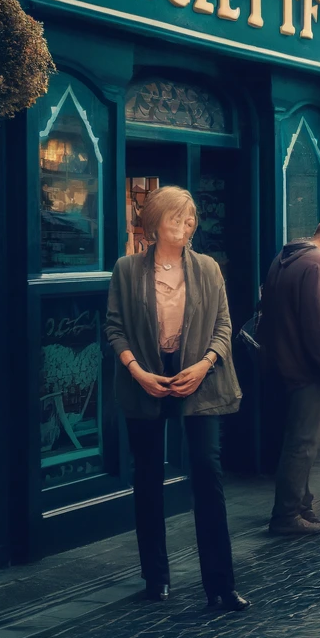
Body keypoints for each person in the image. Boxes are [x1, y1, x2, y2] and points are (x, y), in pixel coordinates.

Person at [104, 187, 247, 610]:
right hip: (144, 379)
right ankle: (156, 577)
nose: (184, 227)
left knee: (208, 472)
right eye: (175, 219)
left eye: (190, 220)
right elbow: (114, 328)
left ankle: (220, 584)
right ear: (155, 223)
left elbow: (224, 326)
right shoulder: (127, 269)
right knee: (147, 479)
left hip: (198, 380)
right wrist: (138, 372)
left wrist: (204, 365)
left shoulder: (207, 268)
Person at [261, 213, 320, 538]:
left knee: (294, 441)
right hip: (309, 371)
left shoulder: (284, 259)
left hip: (282, 366)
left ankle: (301, 505)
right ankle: (287, 514)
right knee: (303, 444)